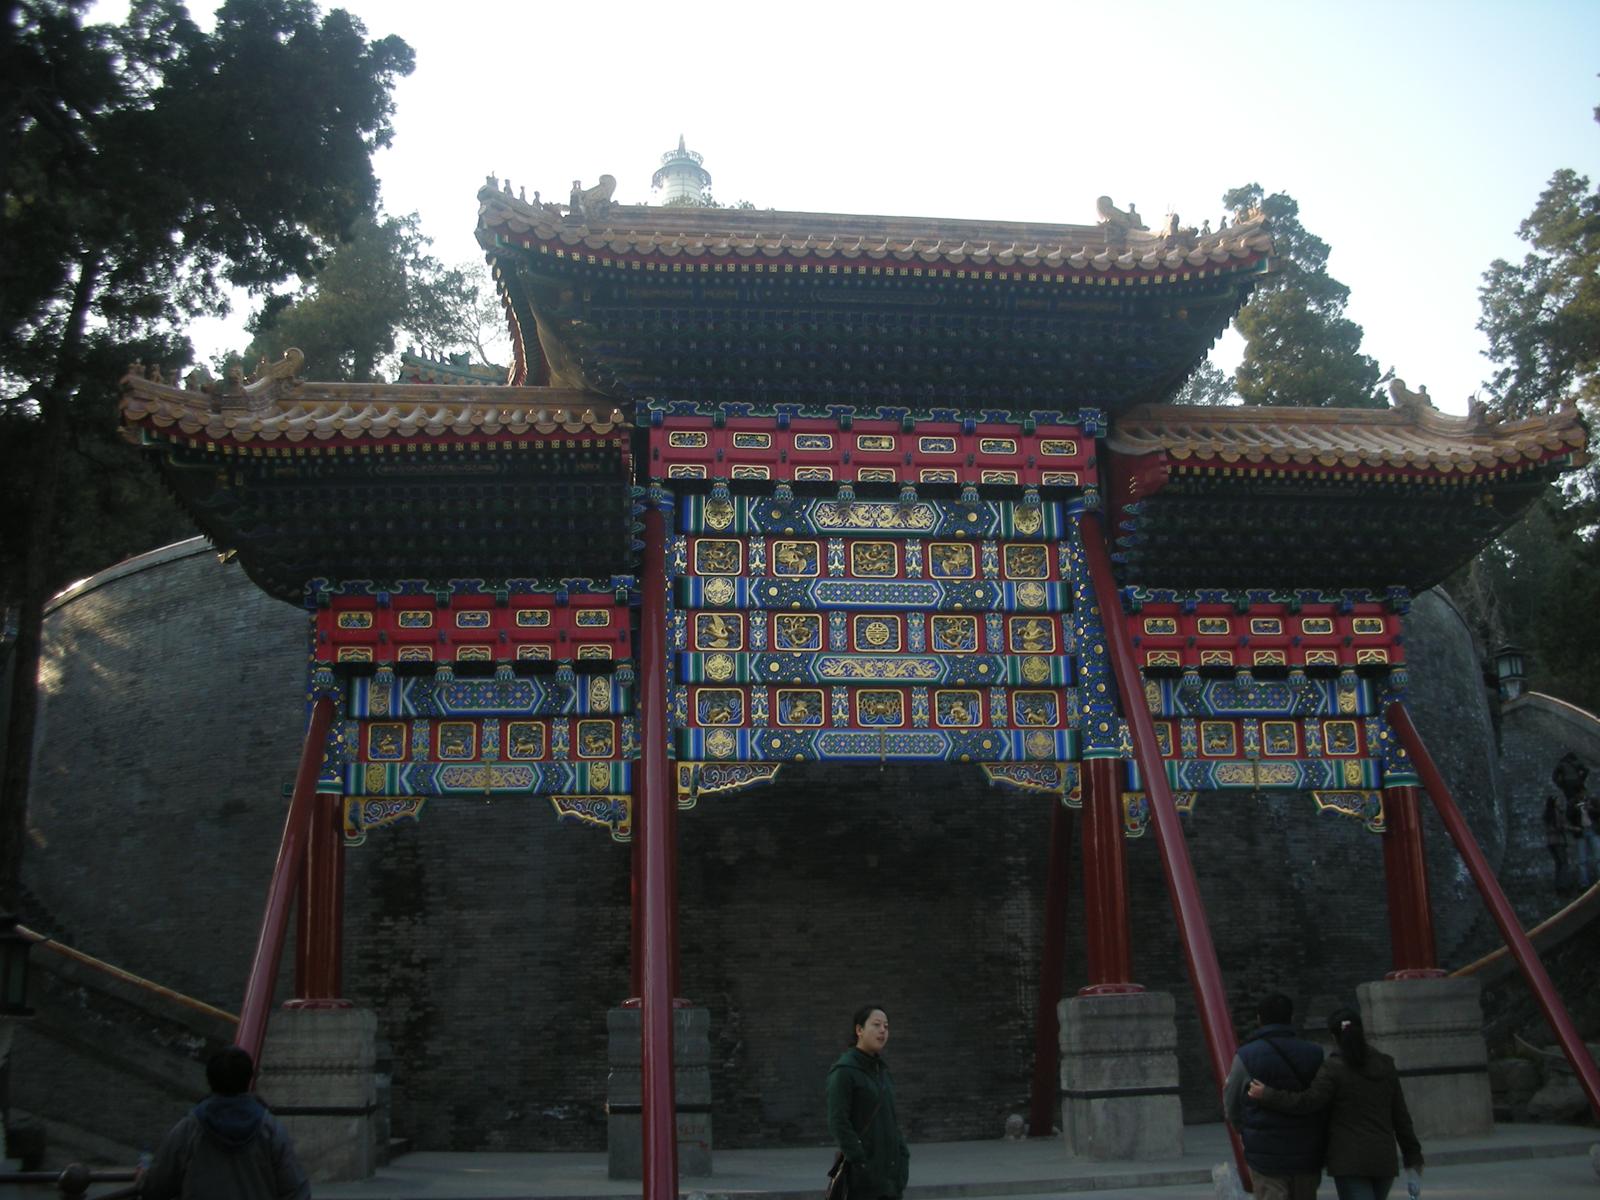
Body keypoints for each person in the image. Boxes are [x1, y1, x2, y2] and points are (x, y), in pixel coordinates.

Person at [1249, 1006, 1423, 1200]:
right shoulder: (1385, 1065)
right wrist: (1413, 1158)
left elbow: (1307, 1102)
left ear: (1333, 1036)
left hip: (1349, 1160)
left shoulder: (1333, 1068)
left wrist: (1268, 1095)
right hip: (1383, 1158)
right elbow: (1401, 1116)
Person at [140, 1045, 310, 1200]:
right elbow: (296, 1190)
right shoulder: (270, 1129)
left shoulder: (189, 1129)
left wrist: (143, 1178)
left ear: (209, 1080)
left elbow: (155, 1187)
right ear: (249, 1079)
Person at [1221, 993, 1326, 1200]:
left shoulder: (1246, 1056)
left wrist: (1244, 1129)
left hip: (1265, 1153)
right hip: (1306, 1150)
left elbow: (1231, 1101)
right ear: (1291, 1017)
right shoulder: (1314, 1053)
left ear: (1259, 1018)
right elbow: (1321, 1100)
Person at [825, 1005, 910, 1200]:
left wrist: (903, 1157)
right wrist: (860, 1161)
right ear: (859, 1030)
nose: (883, 1031)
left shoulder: (882, 1072)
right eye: (876, 1024)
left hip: (891, 1179)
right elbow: (838, 1122)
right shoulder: (844, 1071)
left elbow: (891, 1121)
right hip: (863, 1182)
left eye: (886, 1026)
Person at [1545, 794, 1572, 892]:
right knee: (1563, 863)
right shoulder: (1556, 813)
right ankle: (1563, 885)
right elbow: (1560, 826)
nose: (1559, 802)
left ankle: (1558, 884)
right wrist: (1573, 828)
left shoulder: (1547, 814)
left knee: (1558, 864)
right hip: (1558, 840)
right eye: (1558, 801)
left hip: (1550, 841)